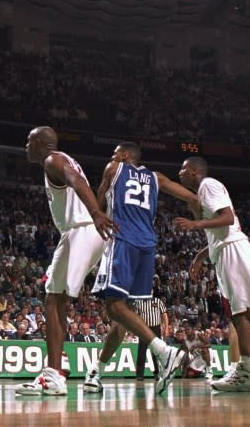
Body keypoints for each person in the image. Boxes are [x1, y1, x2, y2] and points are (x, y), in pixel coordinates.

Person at [82, 143, 194, 396]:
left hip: (122, 239)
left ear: (123, 156)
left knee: (114, 306)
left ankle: (164, 352)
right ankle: (96, 372)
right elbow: (189, 196)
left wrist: (94, 219)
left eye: (114, 153)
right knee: (123, 314)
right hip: (148, 246)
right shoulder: (156, 177)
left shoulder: (114, 168)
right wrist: (199, 216)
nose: (112, 157)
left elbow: (98, 203)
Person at [16, 127, 114, 396]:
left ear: (39, 143)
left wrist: (95, 212)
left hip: (82, 228)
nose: (25, 146)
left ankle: (54, 374)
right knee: (53, 296)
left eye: (28, 142)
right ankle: (58, 367)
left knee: (56, 299)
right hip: (78, 230)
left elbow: (76, 181)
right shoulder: (59, 160)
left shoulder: (53, 160)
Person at [172, 157, 250, 392]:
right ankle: (248, 368)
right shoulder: (205, 189)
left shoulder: (207, 184)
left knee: (239, 313)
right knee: (236, 313)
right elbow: (221, 228)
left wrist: (195, 225)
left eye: (183, 168)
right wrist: (200, 256)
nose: (180, 172)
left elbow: (227, 218)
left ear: (195, 171)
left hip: (232, 250)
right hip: (226, 250)